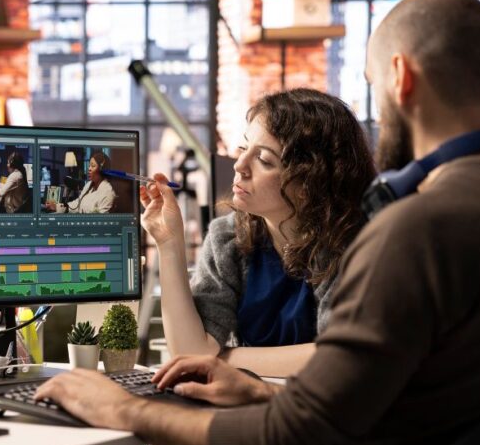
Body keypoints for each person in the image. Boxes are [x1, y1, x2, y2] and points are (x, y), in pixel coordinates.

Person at [35, 0, 480, 445]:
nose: (240, 168)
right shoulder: (470, 211)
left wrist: (124, 409)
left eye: (373, 86)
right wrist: (260, 390)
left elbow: (295, 441)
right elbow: (399, 401)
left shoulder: (413, 229)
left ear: (400, 77)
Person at [142, 88, 375, 380]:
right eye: (243, 148)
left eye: (264, 160)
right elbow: (191, 353)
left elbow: (338, 358)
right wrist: (168, 244)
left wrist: (223, 359)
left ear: (310, 183)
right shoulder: (227, 238)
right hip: (247, 404)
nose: (239, 166)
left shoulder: (351, 246)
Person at [44, 151, 116, 213]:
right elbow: (77, 204)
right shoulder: (88, 185)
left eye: (93, 166)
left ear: (102, 169)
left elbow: (101, 221)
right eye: (89, 166)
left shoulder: (107, 192)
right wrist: (56, 206)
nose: (89, 169)